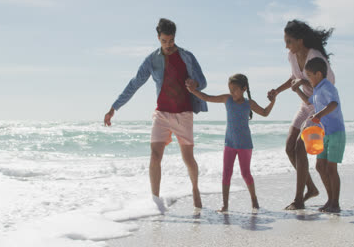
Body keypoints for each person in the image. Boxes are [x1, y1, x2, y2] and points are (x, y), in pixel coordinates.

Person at [104, 18, 208, 210]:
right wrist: (114, 107)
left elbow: (203, 81)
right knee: (154, 156)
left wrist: (195, 84)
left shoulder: (187, 56)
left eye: (170, 40)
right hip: (161, 114)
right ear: (158, 38)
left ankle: (195, 188)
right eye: (164, 41)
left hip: (183, 114)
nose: (168, 45)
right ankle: (155, 201)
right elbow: (134, 84)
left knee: (188, 158)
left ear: (174, 37)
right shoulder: (152, 60)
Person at [267, 19, 335, 210]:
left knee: (299, 147)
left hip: (319, 106)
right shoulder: (292, 55)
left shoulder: (316, 57)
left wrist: (301, 87)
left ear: (300, 40)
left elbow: (326, 87)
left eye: (289, 41)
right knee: (289, 147)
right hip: (305, 104)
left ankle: (298, 200)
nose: (286, 45)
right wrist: (277, 91)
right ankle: (311, 189)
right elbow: (294, 78)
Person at [186, 73, 275, 213]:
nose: (232, 92)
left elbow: (264, 113)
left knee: (246, 173)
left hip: (245, 145)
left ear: (244, 88)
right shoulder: (227, 99)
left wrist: (272, 101)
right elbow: (207, 98)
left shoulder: (248, 103)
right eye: (230, 89)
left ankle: (254, 200)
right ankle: (225, 205)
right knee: (226, 173)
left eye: (234, 89)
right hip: (229, 144)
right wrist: (193, 91)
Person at [292, 57, 345, 213]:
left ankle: (335, 203)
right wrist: (297, 90)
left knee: (331, 168)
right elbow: (310, 103)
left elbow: (333, 104)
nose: (308, 78)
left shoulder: (327, 87)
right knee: (320, 166)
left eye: (309, 75)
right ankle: (330, 200)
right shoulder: (317, 89)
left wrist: (319, 115)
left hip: (336, 132)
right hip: (323, 133)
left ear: (319, 74)